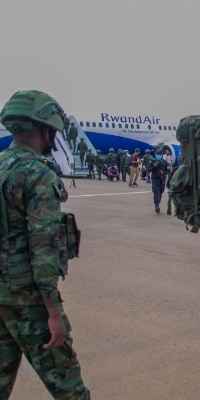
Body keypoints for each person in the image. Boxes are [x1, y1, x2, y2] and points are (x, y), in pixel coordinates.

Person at [0, 89, 90, 399]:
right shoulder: (37, 175)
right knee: (70, 389)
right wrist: (52, 310)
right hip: (27, 298)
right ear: (45, 129)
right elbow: (44, 248)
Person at [147, 149, 167, 213]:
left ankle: (158, 202)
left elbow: (168, 170)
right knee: (156, 192)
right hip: (155, 179)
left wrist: (163, 172)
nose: (159, 155)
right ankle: (157, 206)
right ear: (155, 155)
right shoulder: (152, 162)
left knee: (161, 191)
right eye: (158, 154)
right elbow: (148, 170)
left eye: (160, 154)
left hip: (162, 179)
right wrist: (154, 166)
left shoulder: (164, 162)